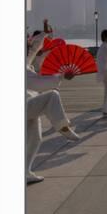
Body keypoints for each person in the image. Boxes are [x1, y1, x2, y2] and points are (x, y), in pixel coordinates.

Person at [25, 32, 81, 184]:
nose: (31, 49)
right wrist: (62, 76)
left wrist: (44, 33)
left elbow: (34, 49)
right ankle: (62, 126)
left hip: (30, 104)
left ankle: (25, 172)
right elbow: (39, 83)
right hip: (24, 106)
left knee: (35, 139)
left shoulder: (25, 61)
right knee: (52, 95)